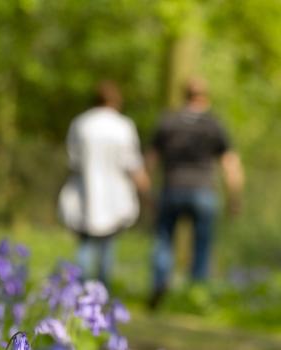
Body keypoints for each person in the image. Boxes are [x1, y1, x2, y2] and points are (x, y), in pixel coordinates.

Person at [147, 77, 244, 309]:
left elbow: (149, 160)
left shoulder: (168, 121)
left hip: (172, 188)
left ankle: (160, 284)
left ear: (184, 95)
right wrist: (235, 198)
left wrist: (146, 193)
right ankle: (195, 295)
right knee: (202, 245)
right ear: (206, 96)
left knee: (163, 241)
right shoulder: (214, 124)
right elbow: (230, 164)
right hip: (203, 191)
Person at [58, 81, 151, 287]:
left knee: (85, 243)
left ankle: (79, 289)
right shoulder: (123, 126)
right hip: (115, 195)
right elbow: (133, 163)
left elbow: (73, 161)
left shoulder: (81, 124)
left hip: (85, 192)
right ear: (116, 101)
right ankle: (102, 291)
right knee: (107, 244)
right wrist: (145, 190)